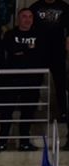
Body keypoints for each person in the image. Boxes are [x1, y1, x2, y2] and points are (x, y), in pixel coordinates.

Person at [0, 9, 45, 152]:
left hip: (32, 80)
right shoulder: (10, 34)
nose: (27, 19)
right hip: (12, 79)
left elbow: (40, 54)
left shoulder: (39, 35)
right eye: (24, 16)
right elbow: (11, 50)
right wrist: (29, 49)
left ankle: (24, 142)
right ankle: (1, 142)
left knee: (27, 113)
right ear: (18, 19)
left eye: (30, 16)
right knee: (6, 112)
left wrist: (22, 51)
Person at [30, 0, 69, 144]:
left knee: (60, 83)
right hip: (40, 51)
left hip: (58, 51)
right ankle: (32, 110)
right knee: (35, 81)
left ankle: (63, 111)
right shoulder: (35, 7)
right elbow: (29, 26)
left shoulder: (64, 7)